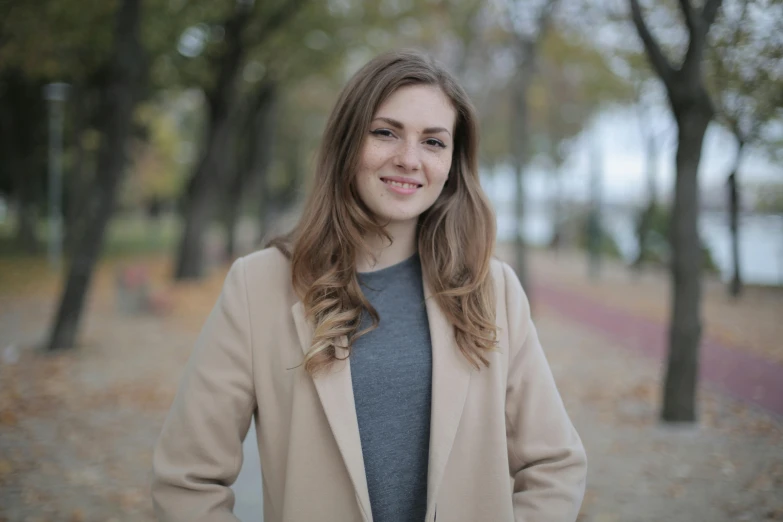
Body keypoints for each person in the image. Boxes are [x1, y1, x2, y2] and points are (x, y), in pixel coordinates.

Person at [151, 49, 587, 522]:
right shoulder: (258, 286)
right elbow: (187, 481)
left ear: (452, 163)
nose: (408, 159)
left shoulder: (492, 289)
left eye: (434, 142)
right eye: (385, 133)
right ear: (346, 142)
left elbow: (554, 465)